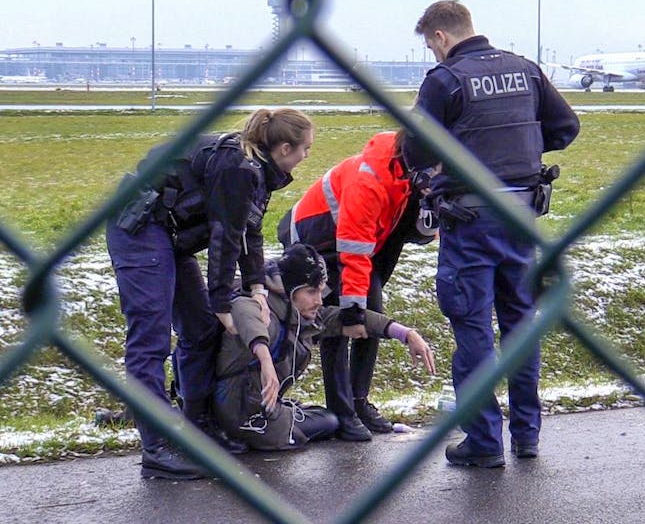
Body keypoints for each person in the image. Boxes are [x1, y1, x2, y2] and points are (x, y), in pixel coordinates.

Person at [405, 0, 580, 468]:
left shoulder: (445, 80)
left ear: (441, 37)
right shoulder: (525, 70)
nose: (433, 54)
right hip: (522, 218)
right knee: (521, 325)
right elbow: (566, 127)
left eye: (430, 45)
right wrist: (518, 148)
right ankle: (527, 435)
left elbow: (414, 148)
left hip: (469, 222)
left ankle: (484, 442)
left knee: (473, 330)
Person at [106, 108, 314, 480]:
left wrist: (256, 288)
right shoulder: (239, 168)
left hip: (171, 235)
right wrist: (221, 302)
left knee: (200, 329)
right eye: (305, 149)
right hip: (139, 228)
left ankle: (196, 423)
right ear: (284, 148)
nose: (306, 157)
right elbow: (224, 239)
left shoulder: (258, 171)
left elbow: (248, 231)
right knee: (150, 340)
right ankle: (158, 446)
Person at [277, 130, 436, 441]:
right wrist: (352, 313)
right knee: (340, 322)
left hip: (359, 245)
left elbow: (399, 235)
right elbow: (353, 252)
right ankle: (341, 410)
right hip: (318, 239)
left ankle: (359, 401)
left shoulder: (406, 168)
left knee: (372, 313)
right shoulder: (369, 181)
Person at [213, 243, 436, 451]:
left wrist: (407, 334)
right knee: (325, 424)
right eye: (311, 292)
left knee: (326, 418)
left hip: (257, 405)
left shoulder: (299, 315)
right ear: (290, 291)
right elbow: (245, 312)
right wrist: (264, 358)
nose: (319, 300)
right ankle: (244, 434)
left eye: (320, 291)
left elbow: (346, 318)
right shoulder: (263, 310)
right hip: (240, 412)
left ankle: (279, 417)